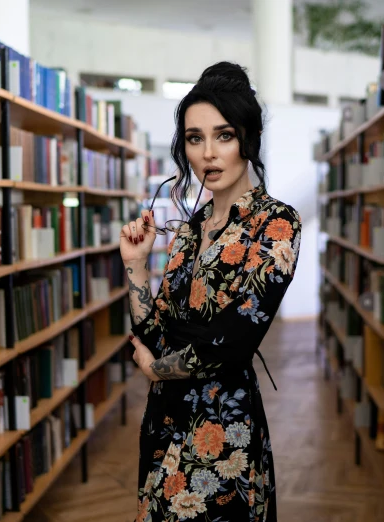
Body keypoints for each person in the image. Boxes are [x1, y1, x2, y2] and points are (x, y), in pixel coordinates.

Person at [120, 61, 301, 522]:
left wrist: (155, 369)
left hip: (223, 434)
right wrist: (136, 267)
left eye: (224, 135)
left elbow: (231, 343)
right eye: (195, 138)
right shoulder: (189, 230)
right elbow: (155, 331)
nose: (208, 154)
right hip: (164, 423)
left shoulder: (276, 224)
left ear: (248, 139)